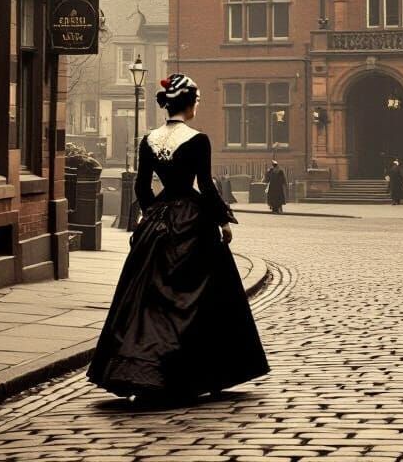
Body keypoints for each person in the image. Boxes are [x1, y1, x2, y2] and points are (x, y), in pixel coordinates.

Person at [87, 74, 268, 403]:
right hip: (191, 221)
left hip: (158, 221)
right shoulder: (198, 140)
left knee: (148, 297)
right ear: (188, 103)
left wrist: (152, 214)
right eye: (197, 100)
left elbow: (143, 187)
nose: (198, 105)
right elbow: (207, 186)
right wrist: (223, 221)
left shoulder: (149, 139)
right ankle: (196, 371)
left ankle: (141, 366)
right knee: (203, 296)